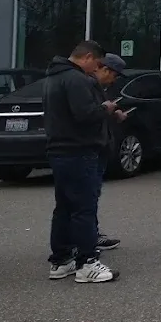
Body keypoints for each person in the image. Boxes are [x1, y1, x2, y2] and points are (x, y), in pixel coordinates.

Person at [44, 40, 125, 283]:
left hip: (59, 150)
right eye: (97, 64)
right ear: (88, 57)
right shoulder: (76, 79)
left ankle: (61, 260)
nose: (96, 70)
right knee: (84, 208)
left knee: (65, 208)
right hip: (79, 150)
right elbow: (85, 114)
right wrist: (107, 108)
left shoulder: (53, 77)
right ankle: (87, 262)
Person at [90, 53, 127, 253]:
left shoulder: (100, 88)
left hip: (99, 146)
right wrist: (106, 109)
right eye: (114, 75)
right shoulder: (86, 86)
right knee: (85, 197)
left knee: (92, 195)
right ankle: (86, 239)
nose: (114, 81)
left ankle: (91, 234)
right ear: (104, 69)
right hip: (88, 149)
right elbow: (87, 114)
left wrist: (114, 112)